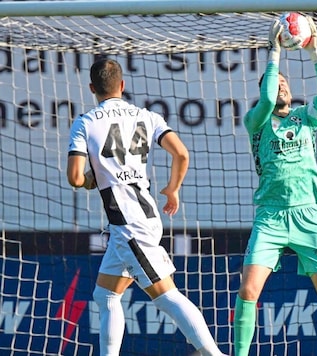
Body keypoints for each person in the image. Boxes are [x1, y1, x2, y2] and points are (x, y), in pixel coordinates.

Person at [66, 58, 226, 356]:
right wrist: (173, 189)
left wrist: (93, 178)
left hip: (130, 225)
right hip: (138, 218)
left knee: (165, 295)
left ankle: (214, 354)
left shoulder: (86, 122)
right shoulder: (145, 116)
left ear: (92, 88)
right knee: (106, 295)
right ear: (122, 85)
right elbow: (181, 154)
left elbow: (75, 177)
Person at [233, 16, 317, 356]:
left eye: (286, 83)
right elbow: (268, 98)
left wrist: (315, 52)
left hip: (307, 215)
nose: (282, 86)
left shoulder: (304, 117)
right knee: (248, 291)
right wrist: (274, 53)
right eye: (277, 83)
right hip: (270, 217)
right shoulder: (256, 121)